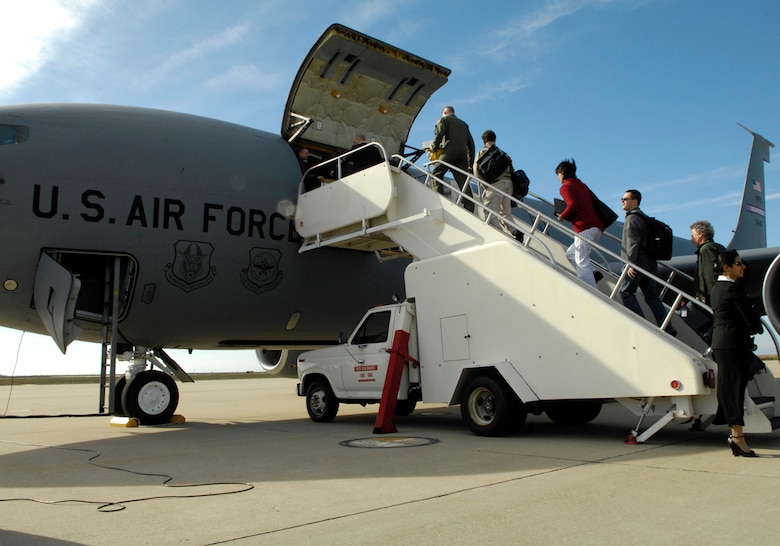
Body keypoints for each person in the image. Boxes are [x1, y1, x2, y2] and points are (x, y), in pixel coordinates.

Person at [710, 249, 763, 457]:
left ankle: (737, 436)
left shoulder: (717, 288)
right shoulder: (733, 289)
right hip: (733, 344)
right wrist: (755, 326)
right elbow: (748, 316)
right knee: (734, 390)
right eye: (739, 263)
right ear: (727, 267)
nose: (744, 267)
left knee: (731, 388)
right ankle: (738, 438)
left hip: (723, 343)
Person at [619, 189, 677, 335]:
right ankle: (668, 328)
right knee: (652, 297)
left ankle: (642, 324)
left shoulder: (632, 219)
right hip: (650, 264)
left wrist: (630, 264)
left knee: (625, 292)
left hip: (637, 263)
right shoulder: (643, 217)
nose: (622, 201)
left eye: (625, 199)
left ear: (635, 201)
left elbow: (632, 243)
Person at [555, 159, 604, 288]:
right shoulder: (582, 185)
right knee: (571, 254)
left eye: (558, 174)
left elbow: (572, 205)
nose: (558, 177)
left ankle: (593, 293)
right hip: (597, 227)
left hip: (584, 227)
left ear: (563, 173)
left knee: (581, 262)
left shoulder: (565, 187)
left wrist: (562, 216)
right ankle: (593, 273)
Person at [472, 130, 522, 241]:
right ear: (494, 139)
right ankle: (516, 231)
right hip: (509, 184)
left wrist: (485, 187)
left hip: (496, 185)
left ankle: (500, 237)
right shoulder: (504, 154)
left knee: (490, 212)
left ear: (484, 140)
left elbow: (476, 171)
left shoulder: (483, 152)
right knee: (505, 213)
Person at [428, 106, 475, 197]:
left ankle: (439, 198)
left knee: (436, 174)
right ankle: (469, 206)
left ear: (445, 113)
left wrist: (433, 148)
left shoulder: (444, 120)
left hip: (450, 151)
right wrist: (470, 164)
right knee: (463, 181)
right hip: (462, 155)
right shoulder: (464, 124)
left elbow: (440, 133)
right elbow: (471, 145)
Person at [690, 220, 726, 304]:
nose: (691, 239)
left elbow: (710, 276)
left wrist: (712, 297)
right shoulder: (718, 247)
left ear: (700, 235)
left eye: (693, 236)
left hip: (713, 298)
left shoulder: (706, 249)